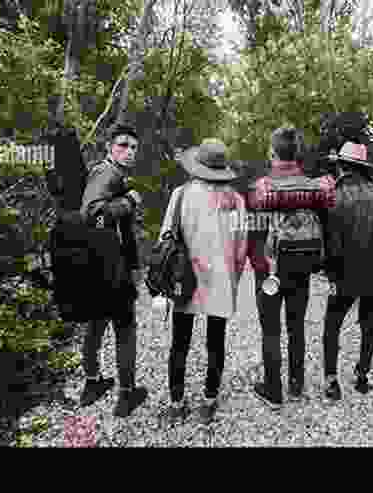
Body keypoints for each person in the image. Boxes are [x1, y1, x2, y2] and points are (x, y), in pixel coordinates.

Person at [159, 138, 247, 425]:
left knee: (179, 342)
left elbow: (166, 239)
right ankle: (209, 400)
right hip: (221, 280)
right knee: (215, 342)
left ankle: (176, 402)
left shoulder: (181, 194)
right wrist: (234, 278)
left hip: (186, 279)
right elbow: (240, 246)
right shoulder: (236, 200)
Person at [246, 127, 335, 408]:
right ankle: (296, 385)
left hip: (271, 269)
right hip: (302, 265)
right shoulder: (313, 188)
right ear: (298, 155)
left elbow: (254, 232)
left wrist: (259, 266)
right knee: (296, 327)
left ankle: (273, 390)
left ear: (272, 153)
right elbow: (326, 223)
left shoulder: (263, 187)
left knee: (271, 330)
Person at [320, 139, 373, 401]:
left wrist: (327, 268)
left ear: (343, 166)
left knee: (332, 324)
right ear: (364, 167)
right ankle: (362, 376)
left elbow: (325, 239)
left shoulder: (333, 194)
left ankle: (332, 381)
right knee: (369, 325)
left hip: (342, 275)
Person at [77, 123, 149, 418]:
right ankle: (126, 395)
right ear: (110, 147)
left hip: (98, 265)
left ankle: (93, 383)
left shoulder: (108, 173)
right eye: (123, 145)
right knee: (124, 330)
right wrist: (128, 201)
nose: (129, 151)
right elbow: (91, 215)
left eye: (133, 147)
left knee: (95, 324)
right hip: (111, 269)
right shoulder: (108, 173)